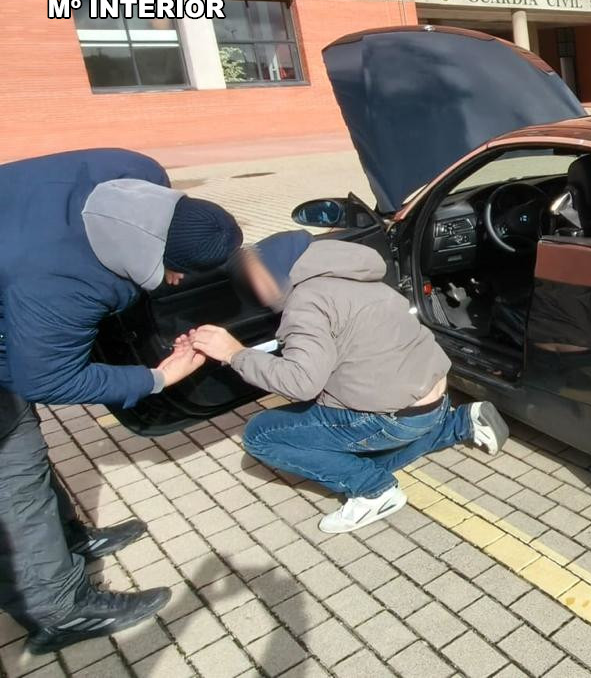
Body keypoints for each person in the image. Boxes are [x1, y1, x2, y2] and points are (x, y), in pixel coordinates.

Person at [0, 148, 241, 653]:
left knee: (25, 452)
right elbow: (48, 378)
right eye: (176, 271)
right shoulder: (62, 280)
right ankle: (59, 610)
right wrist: (156, 377)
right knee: (12, 476)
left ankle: (66, 543)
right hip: (23, 276)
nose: (178, 283)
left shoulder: (135, 169)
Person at [186, 230, 510, 534]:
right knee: (364, 454)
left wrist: (234, 354)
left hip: (392, 418)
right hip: (435, 397)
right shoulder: (356, 275)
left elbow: (301, 383)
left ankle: (374, 492)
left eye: (260, 279)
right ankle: (460, 424)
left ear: (280, 270)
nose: (258, 290)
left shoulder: (307, 303)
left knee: (262, 434)